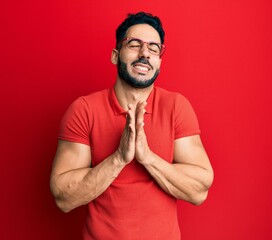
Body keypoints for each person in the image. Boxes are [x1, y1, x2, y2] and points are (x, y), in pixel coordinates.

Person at [50, 12, 214, 240]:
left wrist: (147, 157)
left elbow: (199, 191)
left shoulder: (176, 107)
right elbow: (63, 198)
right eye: (134, 44)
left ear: (159, 62)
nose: (145, 53)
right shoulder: (84, 109)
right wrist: (119, 158)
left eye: (154, 48)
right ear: (115, 55)